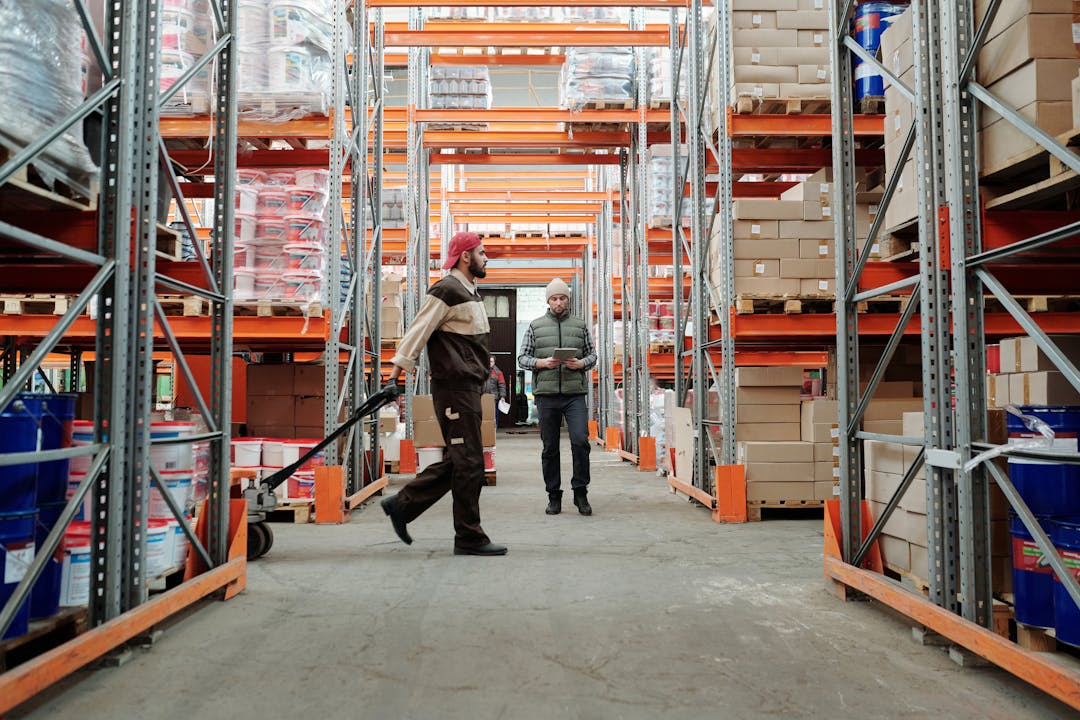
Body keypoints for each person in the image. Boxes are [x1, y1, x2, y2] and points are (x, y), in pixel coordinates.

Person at [380, 231, 507, 556]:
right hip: (454, 390)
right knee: (469, 464)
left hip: (469, 388)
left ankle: (402, 505)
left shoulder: (469, 291)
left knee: (462, 461)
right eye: (481, 252)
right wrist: (394, 376)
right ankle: (469, 537)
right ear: (466, 256)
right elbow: (417, 332)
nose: (486, 257)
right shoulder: (446, 289)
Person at [518, 278, 597, 516]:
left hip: (574, 395)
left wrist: (581, 363)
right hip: (547, 395)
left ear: (568, 300)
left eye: (562, 298)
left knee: (580, 441)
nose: (559, 302)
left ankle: (580, 492)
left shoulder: (580, 326)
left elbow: (593, 355)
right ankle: (554, 496)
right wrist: (541, 363)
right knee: (550, 448)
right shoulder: (535, 326)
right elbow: (522, 358)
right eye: (554, 298)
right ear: (548, 301)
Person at [482, 356, 507, 427]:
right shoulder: (482, 371)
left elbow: (502, 385)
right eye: (488, 361)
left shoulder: (498, 372)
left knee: (494, 416)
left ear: (494, 362)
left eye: (491, 361)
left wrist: (502, 396)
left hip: (494, 398)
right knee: (483, 415)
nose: (489, 363)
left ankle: (493, 431)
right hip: (483, 397)